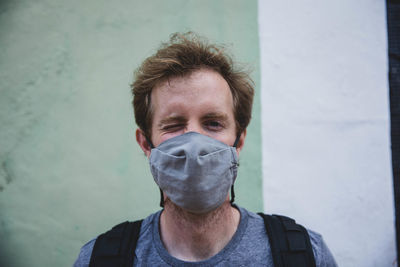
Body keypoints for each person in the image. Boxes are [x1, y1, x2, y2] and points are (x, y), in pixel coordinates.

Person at [74, 32, 337, 266]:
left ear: (239, 142)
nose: (193, 145)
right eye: (174, 125)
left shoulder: (305, 254)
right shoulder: (99, 259)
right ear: (146, 144)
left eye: (213, 123)